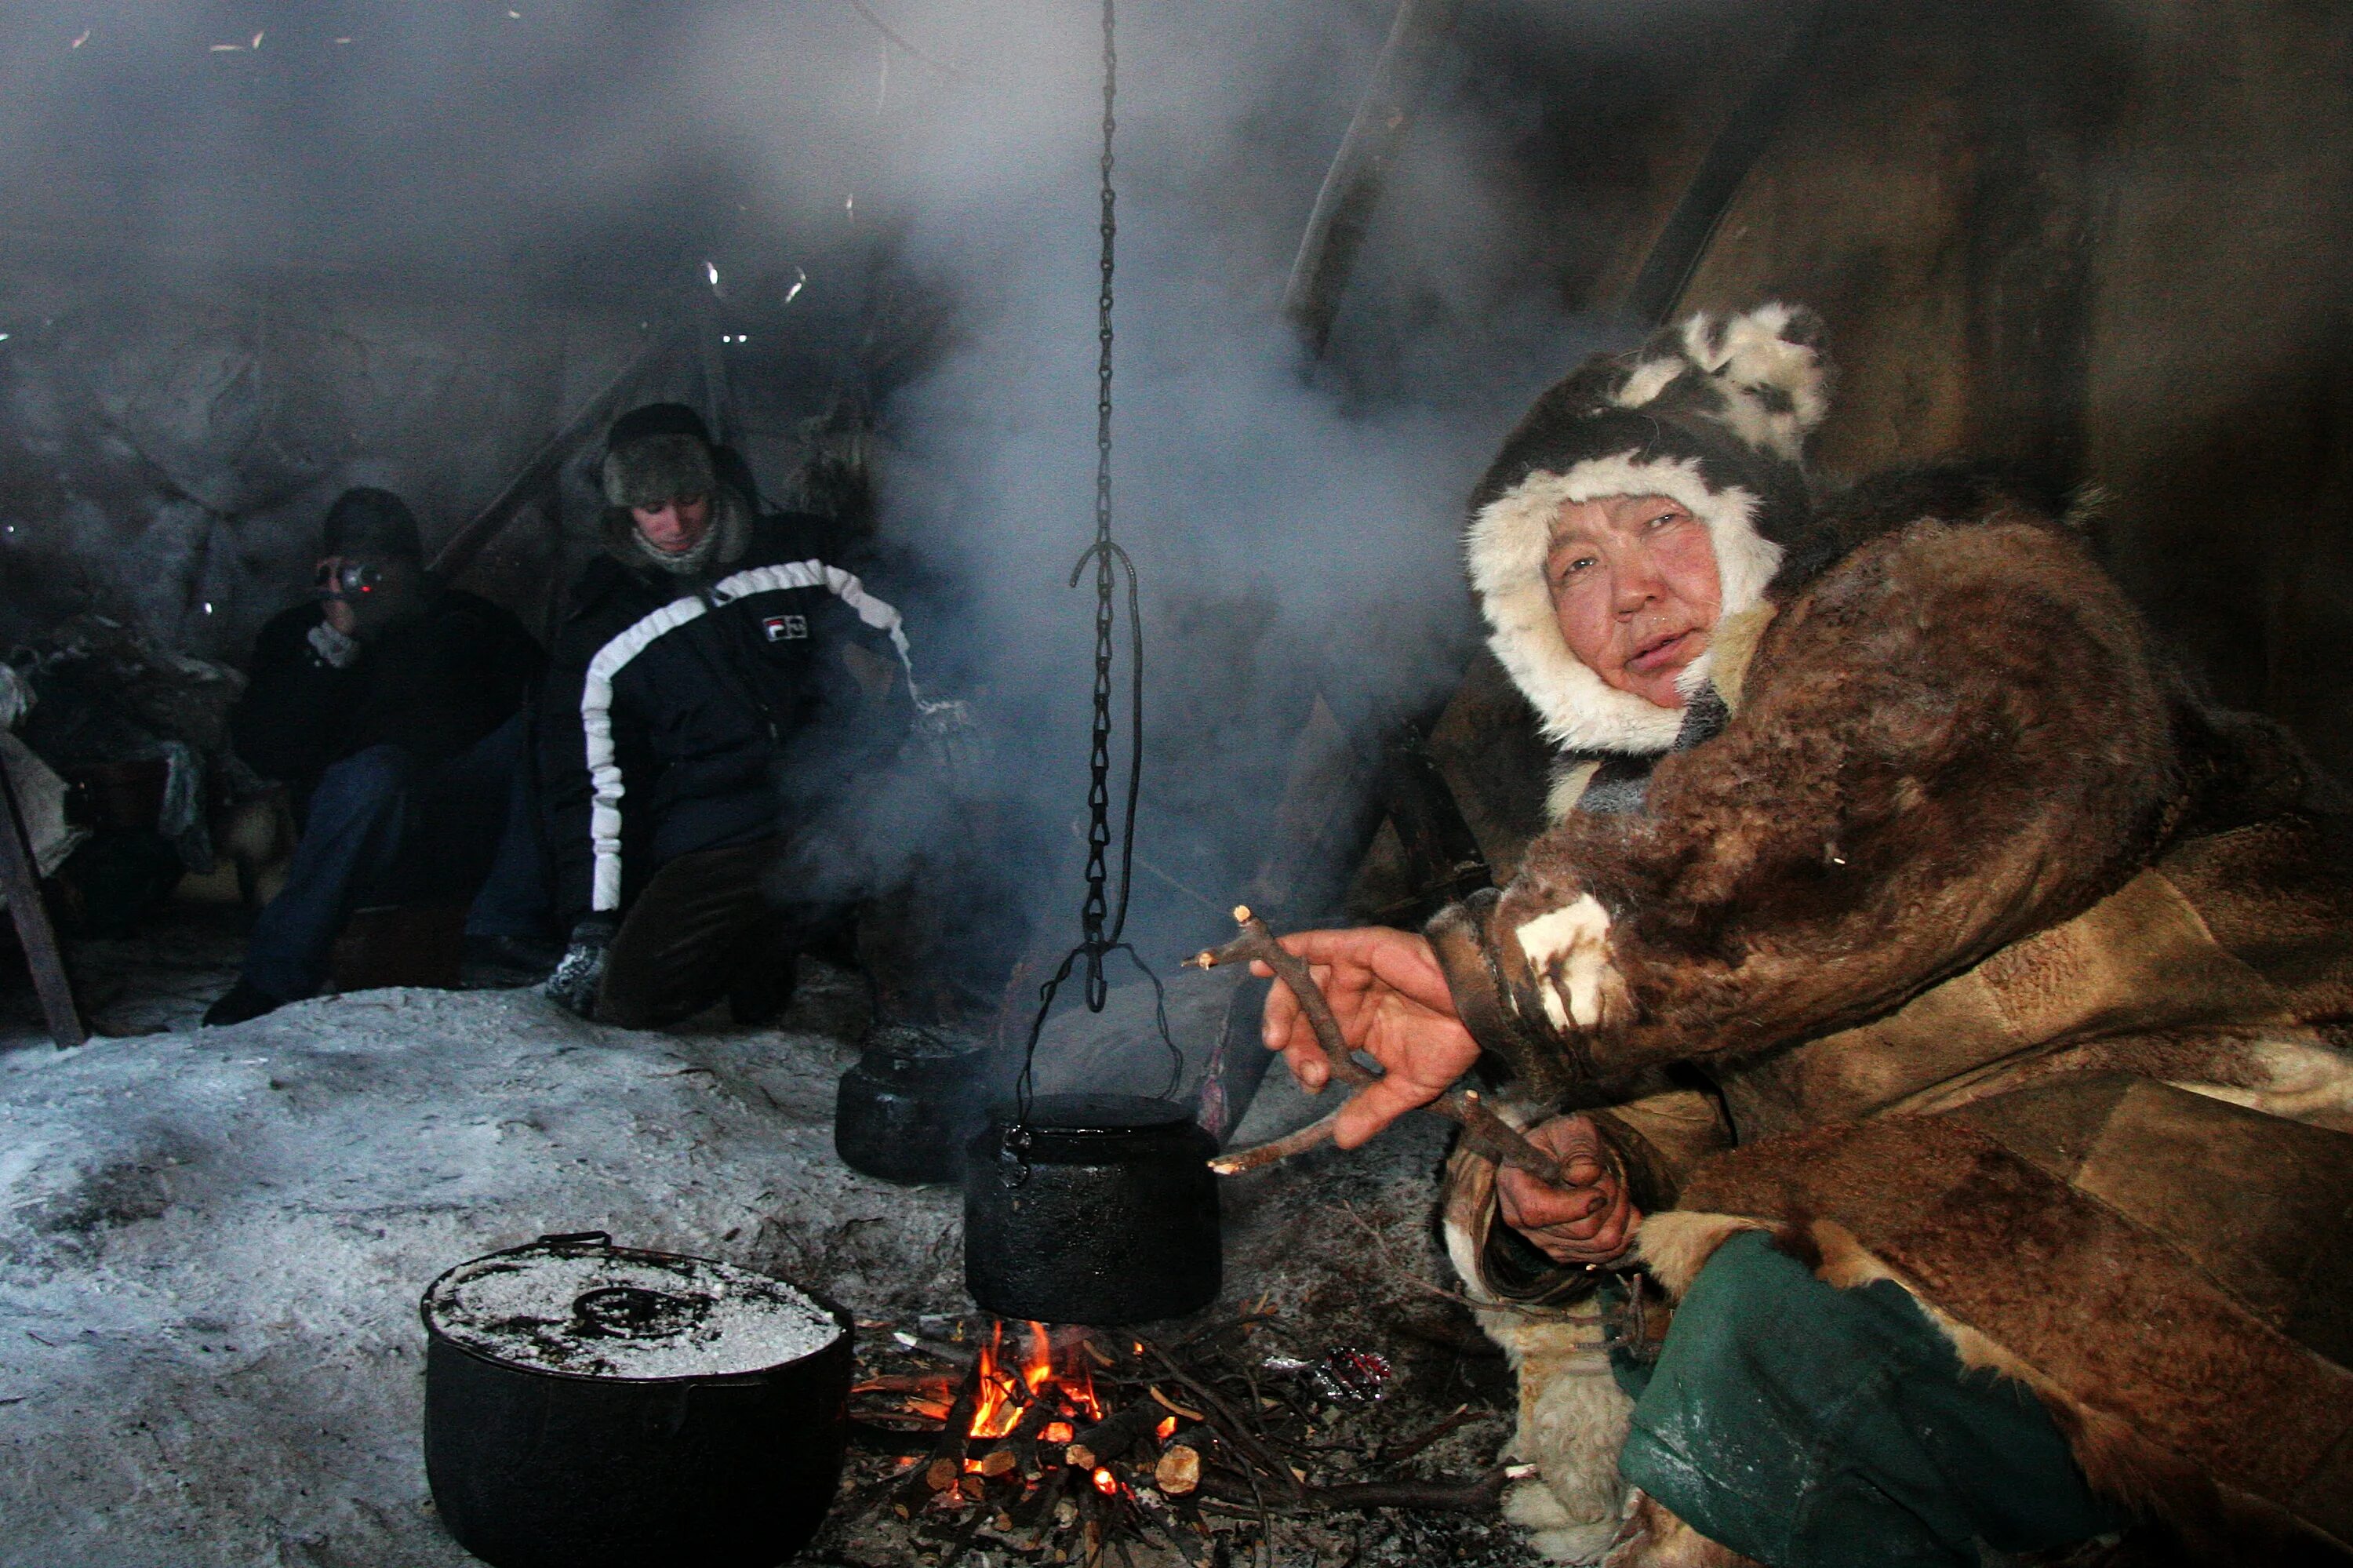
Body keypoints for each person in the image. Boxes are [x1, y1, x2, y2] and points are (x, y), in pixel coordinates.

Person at [1257, 305, 2353, 1566]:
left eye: (1660, 519)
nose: (1632, 590)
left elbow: (1853, 805)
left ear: (1749, 519)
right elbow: (1710, 1089)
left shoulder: (1960, 586)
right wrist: (1593, 1166)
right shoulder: (1634, 819)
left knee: (1763, 1345)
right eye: (1572, 568)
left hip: (2234, 1140)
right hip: (1972, 1226)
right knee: (1730, 1328)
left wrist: (1501, 967)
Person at [538, 404, 915, 1028]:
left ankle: (902, 995)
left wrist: (938, 713)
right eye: (650, 507)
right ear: (623, 511)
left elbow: (914, 609)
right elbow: (590, 786)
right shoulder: (603, 627)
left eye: (688, 497)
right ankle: (778, 935)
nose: (674, 522)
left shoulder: (800, 551)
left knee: (929, 838)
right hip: (719, 836)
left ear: (714, 486)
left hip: (837, 799)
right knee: (632, 1001)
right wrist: (594, 921)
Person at [206, 487, 549, 1026]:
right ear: (329, 569)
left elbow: (554, 708)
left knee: (546, 724)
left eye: (383, 566)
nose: (371, 582)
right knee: (376, 772)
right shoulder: (298, 634)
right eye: (355, 567)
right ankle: (273, 978)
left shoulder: (469, 621)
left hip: (465, 821)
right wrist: (332, 646)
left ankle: (505, 929)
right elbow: (265, 748)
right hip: (360, 835)